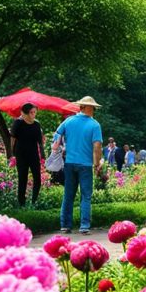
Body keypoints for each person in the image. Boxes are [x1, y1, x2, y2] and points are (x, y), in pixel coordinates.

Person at [53, 96, 104, 234]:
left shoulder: (69, 121)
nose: (93, 110)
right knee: (86, 196)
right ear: (86, 107)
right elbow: (97, 146)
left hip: (70, 163)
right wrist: (97, 163)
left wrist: (57, 148)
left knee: (68, 194)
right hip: (86, 165)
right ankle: (84, 226)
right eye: (92, 107)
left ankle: (65, 225)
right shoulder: (94, 125)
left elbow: (57, 135)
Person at [10, 102, 44, 208]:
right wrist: (11, 153)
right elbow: (12, 138)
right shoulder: (18, 123)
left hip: (33, 154)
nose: (33, 115)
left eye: (35, 112)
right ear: (25, 113)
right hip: (21, 154)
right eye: (31, 112)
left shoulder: (37, 124)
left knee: (37, 179)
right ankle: (21, 203)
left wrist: (43, 154)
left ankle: (34, 201)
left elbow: (40, 141)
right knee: (22, 178)